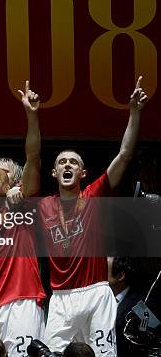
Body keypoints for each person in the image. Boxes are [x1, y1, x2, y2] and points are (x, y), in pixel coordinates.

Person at [39, 76, 148, 356]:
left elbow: (124, 155)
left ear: (82, 173)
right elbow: (30, 159)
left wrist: (134, 114)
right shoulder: (43, 206)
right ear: (53, 172)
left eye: (73, 162)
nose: (67, 165)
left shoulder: (93, 196)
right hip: (61, 298)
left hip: (96, 292)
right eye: (61, 162)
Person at [0, 82, 46, 357]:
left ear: (10, 184)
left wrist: (32, 115)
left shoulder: (20, 206)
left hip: (21, 301)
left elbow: (33, 157)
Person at [107, 257, 145, 356]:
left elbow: (149, 333)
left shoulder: (140, 304)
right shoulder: (101, 298)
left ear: (120, 276)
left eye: (104, 270)